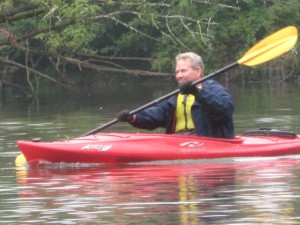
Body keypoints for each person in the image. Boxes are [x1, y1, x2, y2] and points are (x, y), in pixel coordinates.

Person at [117, 52, 235, 139]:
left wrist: (197, 93)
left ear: (198, 71)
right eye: (177, 72)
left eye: (183, 71)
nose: (179, 75)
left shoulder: (215, 89)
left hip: (209, 143)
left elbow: (224, 110)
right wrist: (134, 117)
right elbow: (157, 114)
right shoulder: (177, 95)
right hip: (178, 141)